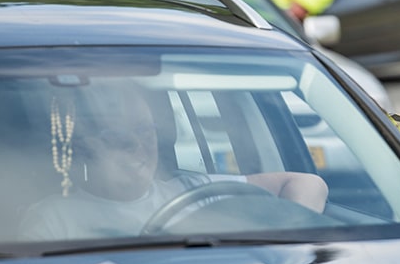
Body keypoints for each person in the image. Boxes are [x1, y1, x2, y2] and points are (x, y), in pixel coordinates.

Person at [18, 85, 328, 241]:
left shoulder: (195, 190)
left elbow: (307, 184)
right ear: (86, 148)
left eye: (145, 131)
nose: (139, 147)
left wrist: (290, 242)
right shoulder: (52, 220)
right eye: (119, 138)